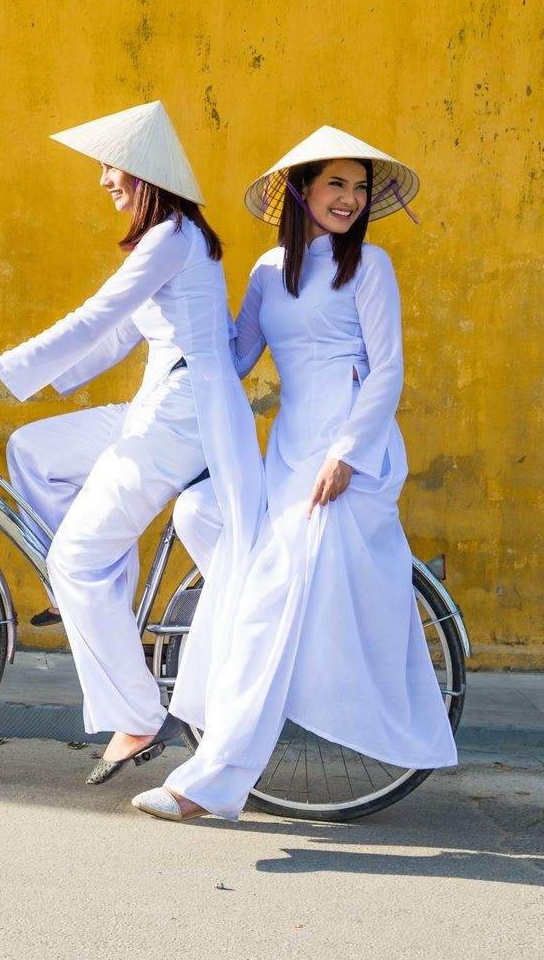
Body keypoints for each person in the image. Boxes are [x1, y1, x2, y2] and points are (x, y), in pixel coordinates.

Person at [137, 125, 458, 821]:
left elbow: (389, 371)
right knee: (201, 519)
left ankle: (217, 778)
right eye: (336, 183)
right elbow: (236, 355)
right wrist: (174, 311)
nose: (350, 198)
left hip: (346, 455)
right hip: (286, 452)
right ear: (299, 190)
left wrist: (346, 452)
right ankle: (275, 668)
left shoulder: (369, 266)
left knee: (266, 595)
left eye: (359, 186)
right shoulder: (264, 272)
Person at [0, 100, 264, 786]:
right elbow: (121, 333)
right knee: (33, 451)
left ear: (145, 173)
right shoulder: (174, 240)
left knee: (77, 556)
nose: (103, 181)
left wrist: (3, 367)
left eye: (111, 166)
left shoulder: (171, 237)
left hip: (181, 417)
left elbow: (99, 314)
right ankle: (96, 588)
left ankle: (138, 713)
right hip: (158, 406)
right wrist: (15, 377)